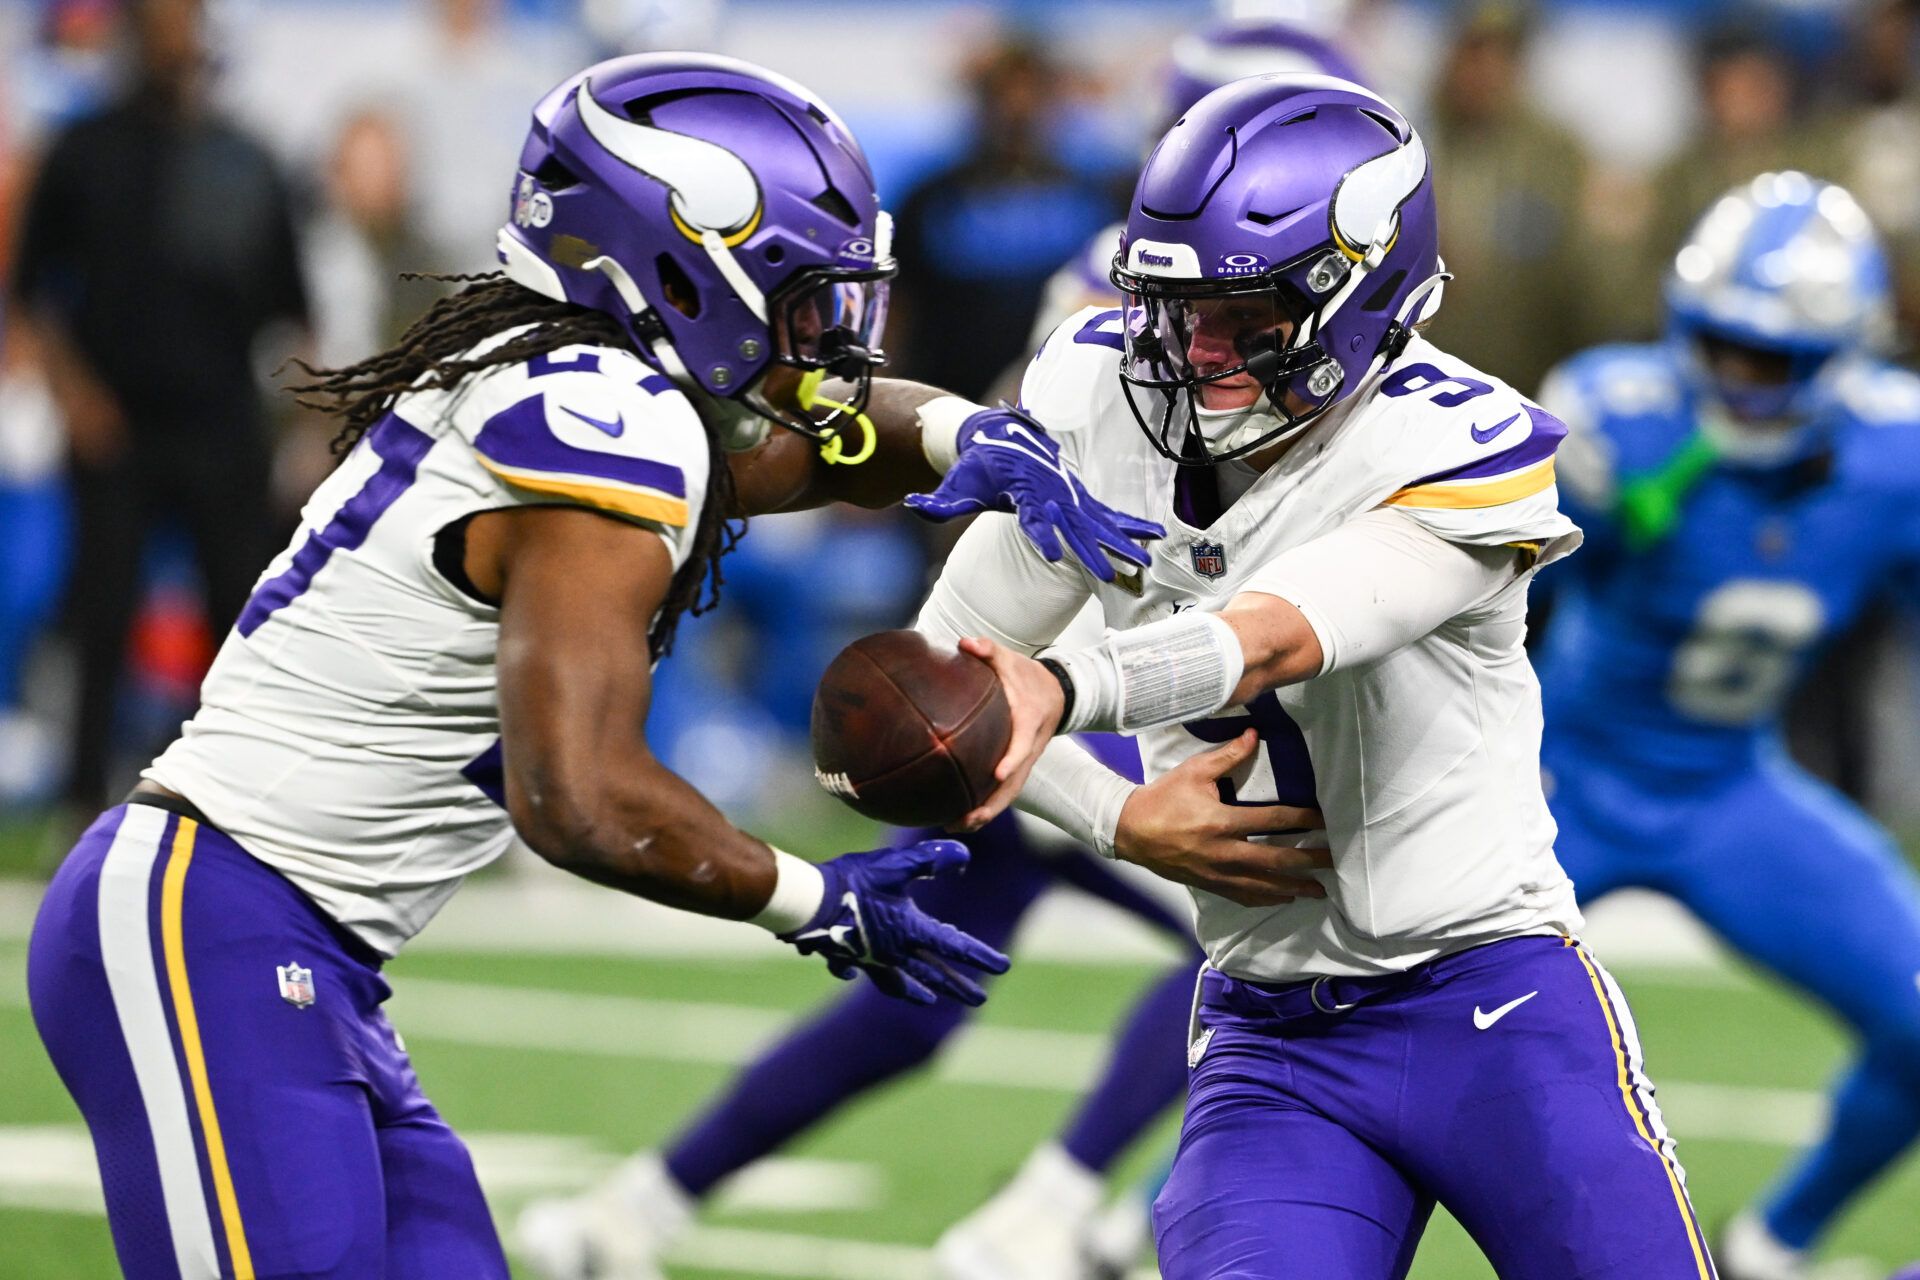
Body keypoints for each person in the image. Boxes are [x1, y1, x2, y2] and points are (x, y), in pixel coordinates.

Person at [25, 53, 1168, 1280]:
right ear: (676, 267)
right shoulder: (605, 427)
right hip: (222, 922)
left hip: (307, 953)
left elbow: (810, 453)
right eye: (799, 296)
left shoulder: (586, 382)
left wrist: (968, 431)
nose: (827, 339)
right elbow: (575, 796)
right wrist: (810, 896)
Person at [940, 74, 1717, 1276]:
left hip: (1494, 1005)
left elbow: (1282, 631)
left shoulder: (1461, 441)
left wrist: (1069, 687)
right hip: (1270, 1037)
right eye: (1175, 308)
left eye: (1241, 313)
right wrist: (1114, 812)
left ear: (1363, 292)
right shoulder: (1104, 396)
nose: (1194, 352)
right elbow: (955, 672)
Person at [1533, 172, 1920, 1280]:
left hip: (1729, 786)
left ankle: (1769, 1245)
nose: (1737, 380)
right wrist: (1572, 514)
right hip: (1558, 779)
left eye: (1773, 359)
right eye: (1722, 346)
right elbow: (1474, 605)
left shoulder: (1897, 458)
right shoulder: (1617, 412)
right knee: (1378, 1018)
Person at [8, 0, 311, 815]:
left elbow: (294, 311)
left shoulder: (246, 160)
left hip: (221, 424)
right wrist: (75, 397)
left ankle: (242, 808)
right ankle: (80, 804)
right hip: (115, 424)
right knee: (101, 618)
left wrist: (302, 425)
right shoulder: (83, 150)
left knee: (239, 622)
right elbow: (31, 291)